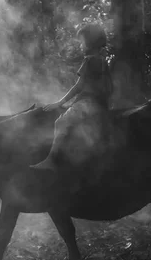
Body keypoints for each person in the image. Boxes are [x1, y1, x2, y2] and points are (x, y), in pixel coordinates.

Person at [32, 23, 113, 172]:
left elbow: (78, 87)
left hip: (88, 103)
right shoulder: (102, 61)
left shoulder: (89, 61)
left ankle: (51, 159)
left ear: (90, 43)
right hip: (101, 103)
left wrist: (60, 102)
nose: (80, 45)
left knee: (61, 122)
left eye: (82, 42)